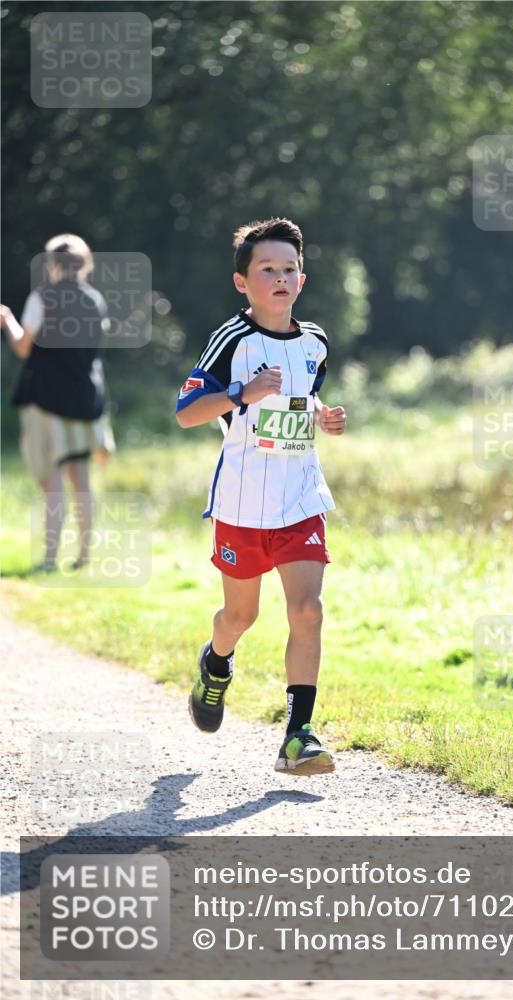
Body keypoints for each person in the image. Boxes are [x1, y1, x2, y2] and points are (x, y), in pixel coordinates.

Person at [176, 217, 346, 776]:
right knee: (239, 615)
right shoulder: (233, 341)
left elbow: (304, 398)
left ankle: (298, 736)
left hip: (300, 498)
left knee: (308, 610)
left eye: (289, 269)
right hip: (244, 504)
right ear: (241, 282)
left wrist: (323, 415)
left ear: (303, 278)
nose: (280, 277)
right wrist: (239, 393)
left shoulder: (316, 342)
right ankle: (216, 663)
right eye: (266, 269)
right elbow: (186, 414)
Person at [1, 234, 115, 572]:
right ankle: (83, 555)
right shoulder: (95, 299)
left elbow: (24, 348)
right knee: (79, 477)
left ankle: (49, 558)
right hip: (85, 398)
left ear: (52, 264)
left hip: (46, 399)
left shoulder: (42, 298)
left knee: (49, 478)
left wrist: (7, 320)